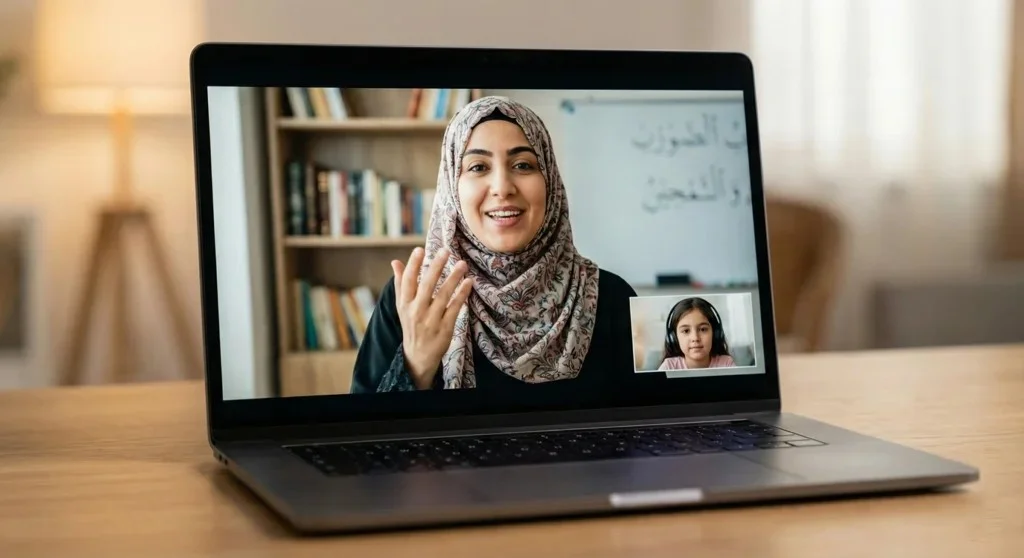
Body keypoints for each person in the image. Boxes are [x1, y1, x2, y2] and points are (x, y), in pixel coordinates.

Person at [350, 95, 637, 393]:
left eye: (523, 165)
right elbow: (365, 422)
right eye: (478, 167)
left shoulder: (612, 299)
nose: (502, 187)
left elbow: (650, 416)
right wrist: (417, 364)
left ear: (550, 181)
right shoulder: (415, 300)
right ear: (452, 187)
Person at [657, 297, 736, 370]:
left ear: (715, 334)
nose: (695, 338)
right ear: (674, 337)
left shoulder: (726, 364)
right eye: (686, 331)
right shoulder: (669, 367)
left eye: (703, 329)